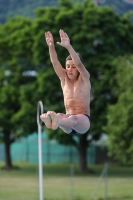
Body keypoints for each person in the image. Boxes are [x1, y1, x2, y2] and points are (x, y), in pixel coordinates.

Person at [40, 29, 91, 135]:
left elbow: (79, 64)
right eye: (67, 66)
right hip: (67, 122)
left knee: (71, 119)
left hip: (82, 121)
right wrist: (51, 46)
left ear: (78, 69)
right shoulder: (64, 78)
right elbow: (54, 62)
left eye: (73, 67)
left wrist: (68, 46)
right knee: (58, 114)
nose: (70, 69)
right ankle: (53, 120)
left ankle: (56, 120)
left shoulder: (84, 78)